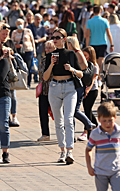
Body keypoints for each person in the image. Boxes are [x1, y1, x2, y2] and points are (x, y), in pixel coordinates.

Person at [43, 28, 83, 164]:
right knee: (58, 121)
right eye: (53, 37)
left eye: (58, 37)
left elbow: (81, 74)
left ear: (64, 39)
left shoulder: (71, 54)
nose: (55, 40)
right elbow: (45, 77)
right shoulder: (50, 55)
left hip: (69, 87)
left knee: (68, 119)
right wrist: (51, 65)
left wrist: (71, 69)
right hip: (54, 87)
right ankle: (62, 151)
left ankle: (70, 151)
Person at [85, 101, 120, 191]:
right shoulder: (95, 133)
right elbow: (88, 149)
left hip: (116, 170)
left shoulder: (119, 131)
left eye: (110, 120)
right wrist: (89, 167)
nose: (107, 123)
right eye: (104, 121)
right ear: (99, 119)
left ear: (115, 118)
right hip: (100, 171)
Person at [66, 36, 95, 141]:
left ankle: (89, 123)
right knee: (71, 111)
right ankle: (71, 134)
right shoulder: (72, 53)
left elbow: (84, 67)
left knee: (74, 110)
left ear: (71, 44)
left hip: (79, 85)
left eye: (67, 43)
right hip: (74, 84)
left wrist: (73, 68)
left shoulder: (77, 52)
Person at [37, 40, 56, 141]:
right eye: (47, 48)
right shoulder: (43, 59)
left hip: (53, 89)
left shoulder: (57, 60)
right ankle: (45, 134)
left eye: (50, 48)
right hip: (43, 89)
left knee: (57, 113)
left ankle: (64, 132)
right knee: (42, 112)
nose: (48, 50)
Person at [80, 46, 100, 141]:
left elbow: (93, 80)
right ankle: (96, 127)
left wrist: (88, 89)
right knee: (88, 110)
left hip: (92, 91)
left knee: (88, 110)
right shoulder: (84, 64)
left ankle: (86, 131)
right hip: (84, 89)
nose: (84, 57)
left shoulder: (95, 66)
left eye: (86, 55)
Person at [11, 18, 36, 88]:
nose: (20, 25)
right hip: (19, 52)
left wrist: (34, 52)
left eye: (21, 24)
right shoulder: (14, 32)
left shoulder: (28, 31)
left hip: (28, 51)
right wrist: (16, 45)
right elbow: (11, 42)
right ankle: (22, 82)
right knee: (20, 67)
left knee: (29, 67)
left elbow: (32, 41)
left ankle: (28, 83)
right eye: (18, 24)